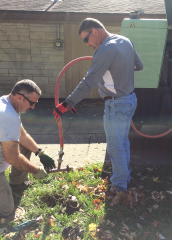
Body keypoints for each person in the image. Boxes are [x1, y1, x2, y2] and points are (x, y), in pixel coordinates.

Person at [53, 18, 143, 192]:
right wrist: (118, 68)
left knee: (115, 146)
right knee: (123, 142)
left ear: (94, 31)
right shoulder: (125, 41)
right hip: (130, 100)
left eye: (86, 39)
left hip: (116, 105)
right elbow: (138, 66)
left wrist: (67, 103)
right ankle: (125, 177)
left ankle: (119, 187)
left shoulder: (104, 50)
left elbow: (88, 82)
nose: (87, 45)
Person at [0, 79, 56, 217]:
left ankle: (16, 184)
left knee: (25, 146)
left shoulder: (6, 103)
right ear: (20, 97)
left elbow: (22, 136)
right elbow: (12, 158)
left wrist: (40, 152)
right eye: (32, 103)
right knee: (4, 209)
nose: (33, 107)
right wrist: (35, 170)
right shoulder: (8, 116)